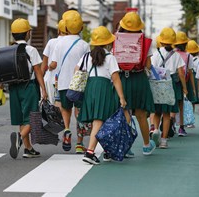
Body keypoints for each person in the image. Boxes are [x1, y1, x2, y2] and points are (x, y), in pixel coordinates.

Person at [78, 26, 127, 164]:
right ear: (107, 42)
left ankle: (107, 151)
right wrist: (122, 97)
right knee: (100, 120)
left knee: (103, 119)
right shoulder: (110, 57)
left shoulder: (87, 56)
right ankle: (90, 152)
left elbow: (77, 69)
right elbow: (116, 78)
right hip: (104, 88)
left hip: (90, 87)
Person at [49, 10, 90, 154]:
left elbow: (53, 63)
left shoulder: (59, 44)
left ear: (64, 27)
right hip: (79, 84)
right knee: (79, 112)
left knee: (65, 109)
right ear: (81, 27)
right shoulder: (84, 45)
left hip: (63, 82)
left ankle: (66, 129)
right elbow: (87, 64)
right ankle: (79, 143)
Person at [116, 12, 156, 157]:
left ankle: (126, 148)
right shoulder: (145, 41)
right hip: (139, 78)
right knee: (140, 114)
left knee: (126, 112)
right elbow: (149, 65)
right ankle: (146, 145)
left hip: (122, 79)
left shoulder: (116, 39)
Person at [8, 19, 48, 159]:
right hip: (28, 86)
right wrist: (43, 89)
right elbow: (37, 70)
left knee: (22, 119)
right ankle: (20, 137)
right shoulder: (30, 50)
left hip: (13, 87)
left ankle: (28, 148)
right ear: (27, 34)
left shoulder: (8, 49)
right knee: (33, 116)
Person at [150, 28, 187, 148]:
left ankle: (155, 130)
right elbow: (181, 73)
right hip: (170, 84)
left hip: (157, 83)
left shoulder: (155, 54)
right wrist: (185, 88)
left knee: (156, 112)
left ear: (161, 41)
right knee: (166, 114)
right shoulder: (176, 55)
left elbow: (150, 69)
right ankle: (164, 140)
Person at [173, 32, 196, 136]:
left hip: (171, 81)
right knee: (181, 105)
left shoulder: (172, 54)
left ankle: (171, 123)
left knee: (171, 104)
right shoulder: (188, 56)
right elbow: (189, 72)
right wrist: (190, 88)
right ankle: (181, 128)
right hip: (183, 82)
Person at [41, 19, 67, 104]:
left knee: (51, 108)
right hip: (65, 81)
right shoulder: (70, 43)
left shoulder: (51, 42)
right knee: (64, 109)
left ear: (59, 30)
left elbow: (44, 64)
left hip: (51, 79)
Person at [186, 40, 199, 124]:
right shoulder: (198, 61)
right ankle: (191, 119)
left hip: (188, 79)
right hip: (195, 79)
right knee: (193, 101)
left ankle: (187, 119)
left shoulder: (187, 58)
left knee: (187, 100)